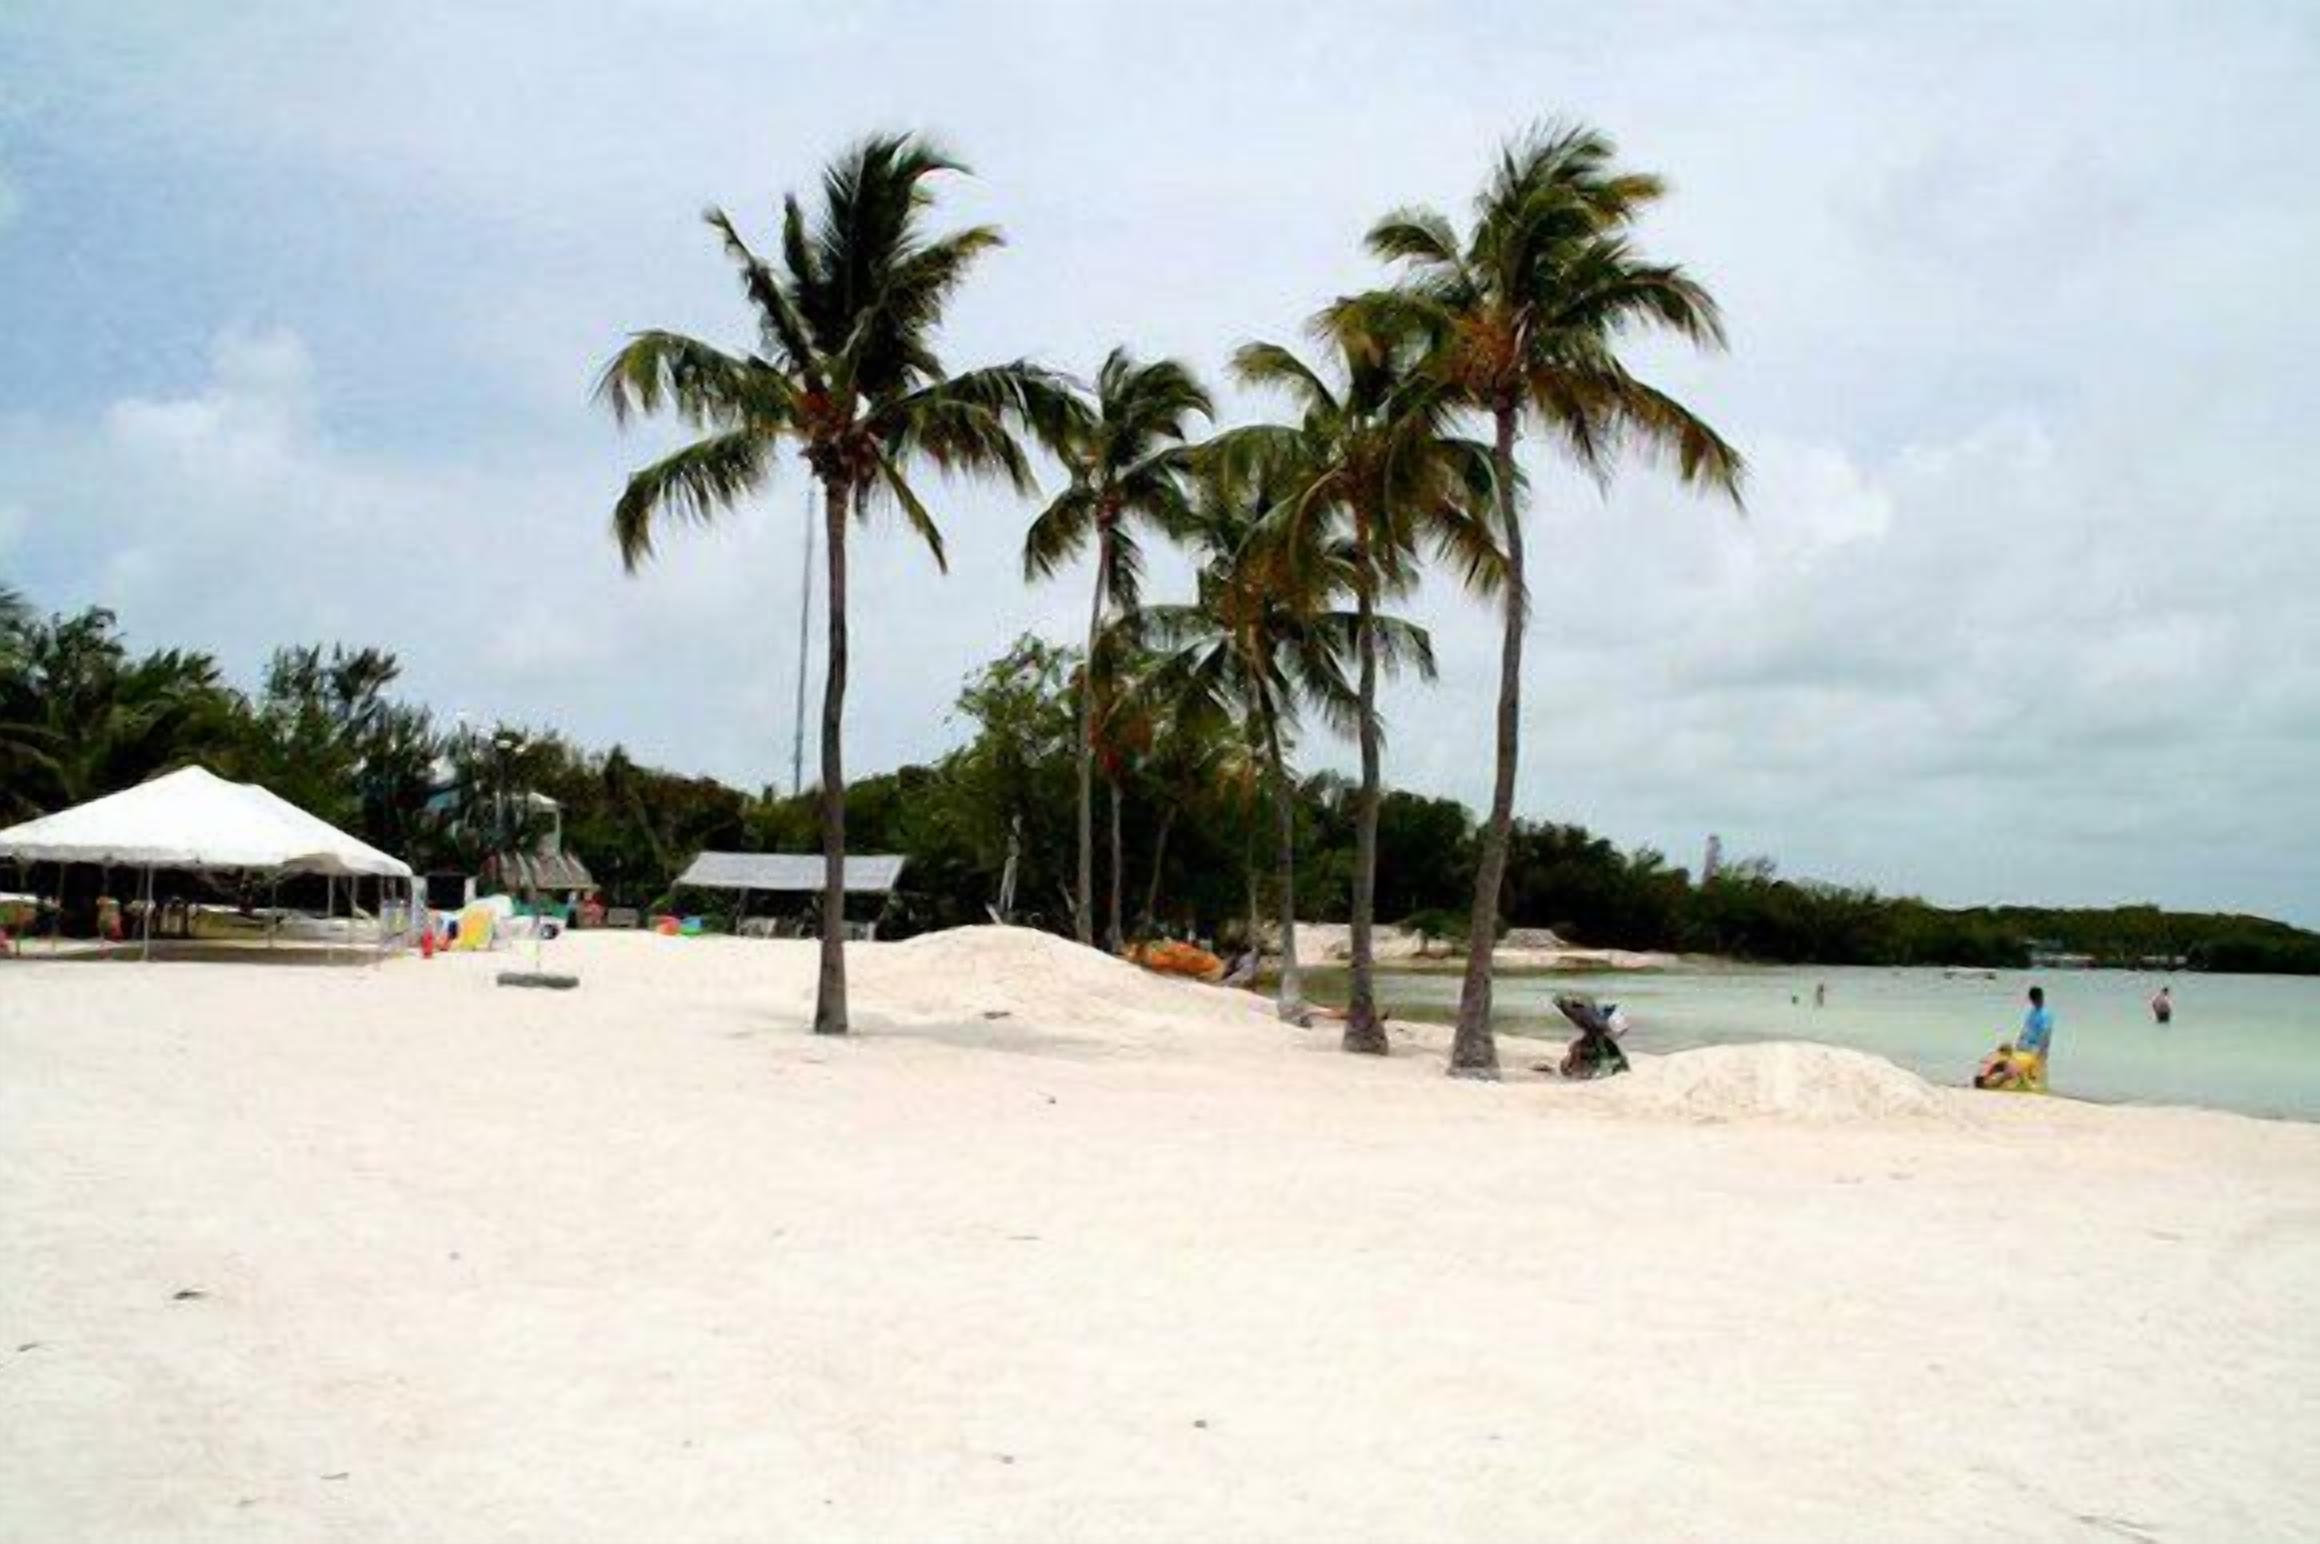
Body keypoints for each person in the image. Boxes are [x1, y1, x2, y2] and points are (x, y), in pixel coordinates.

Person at [2016, 984, 2055, 1089]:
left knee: (2037, 1071)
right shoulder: (2032, 1012)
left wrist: (2042, 1050)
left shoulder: (2045, 1014)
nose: (2039, 1000)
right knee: (2026, 1068)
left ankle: (2039, 1087)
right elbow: (2026, 1029)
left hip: (2037, 1047)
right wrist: (2019, 1043)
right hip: (2028, 1045)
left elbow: (2046, 1033)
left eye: (2039, 998)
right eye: (2035, 999)